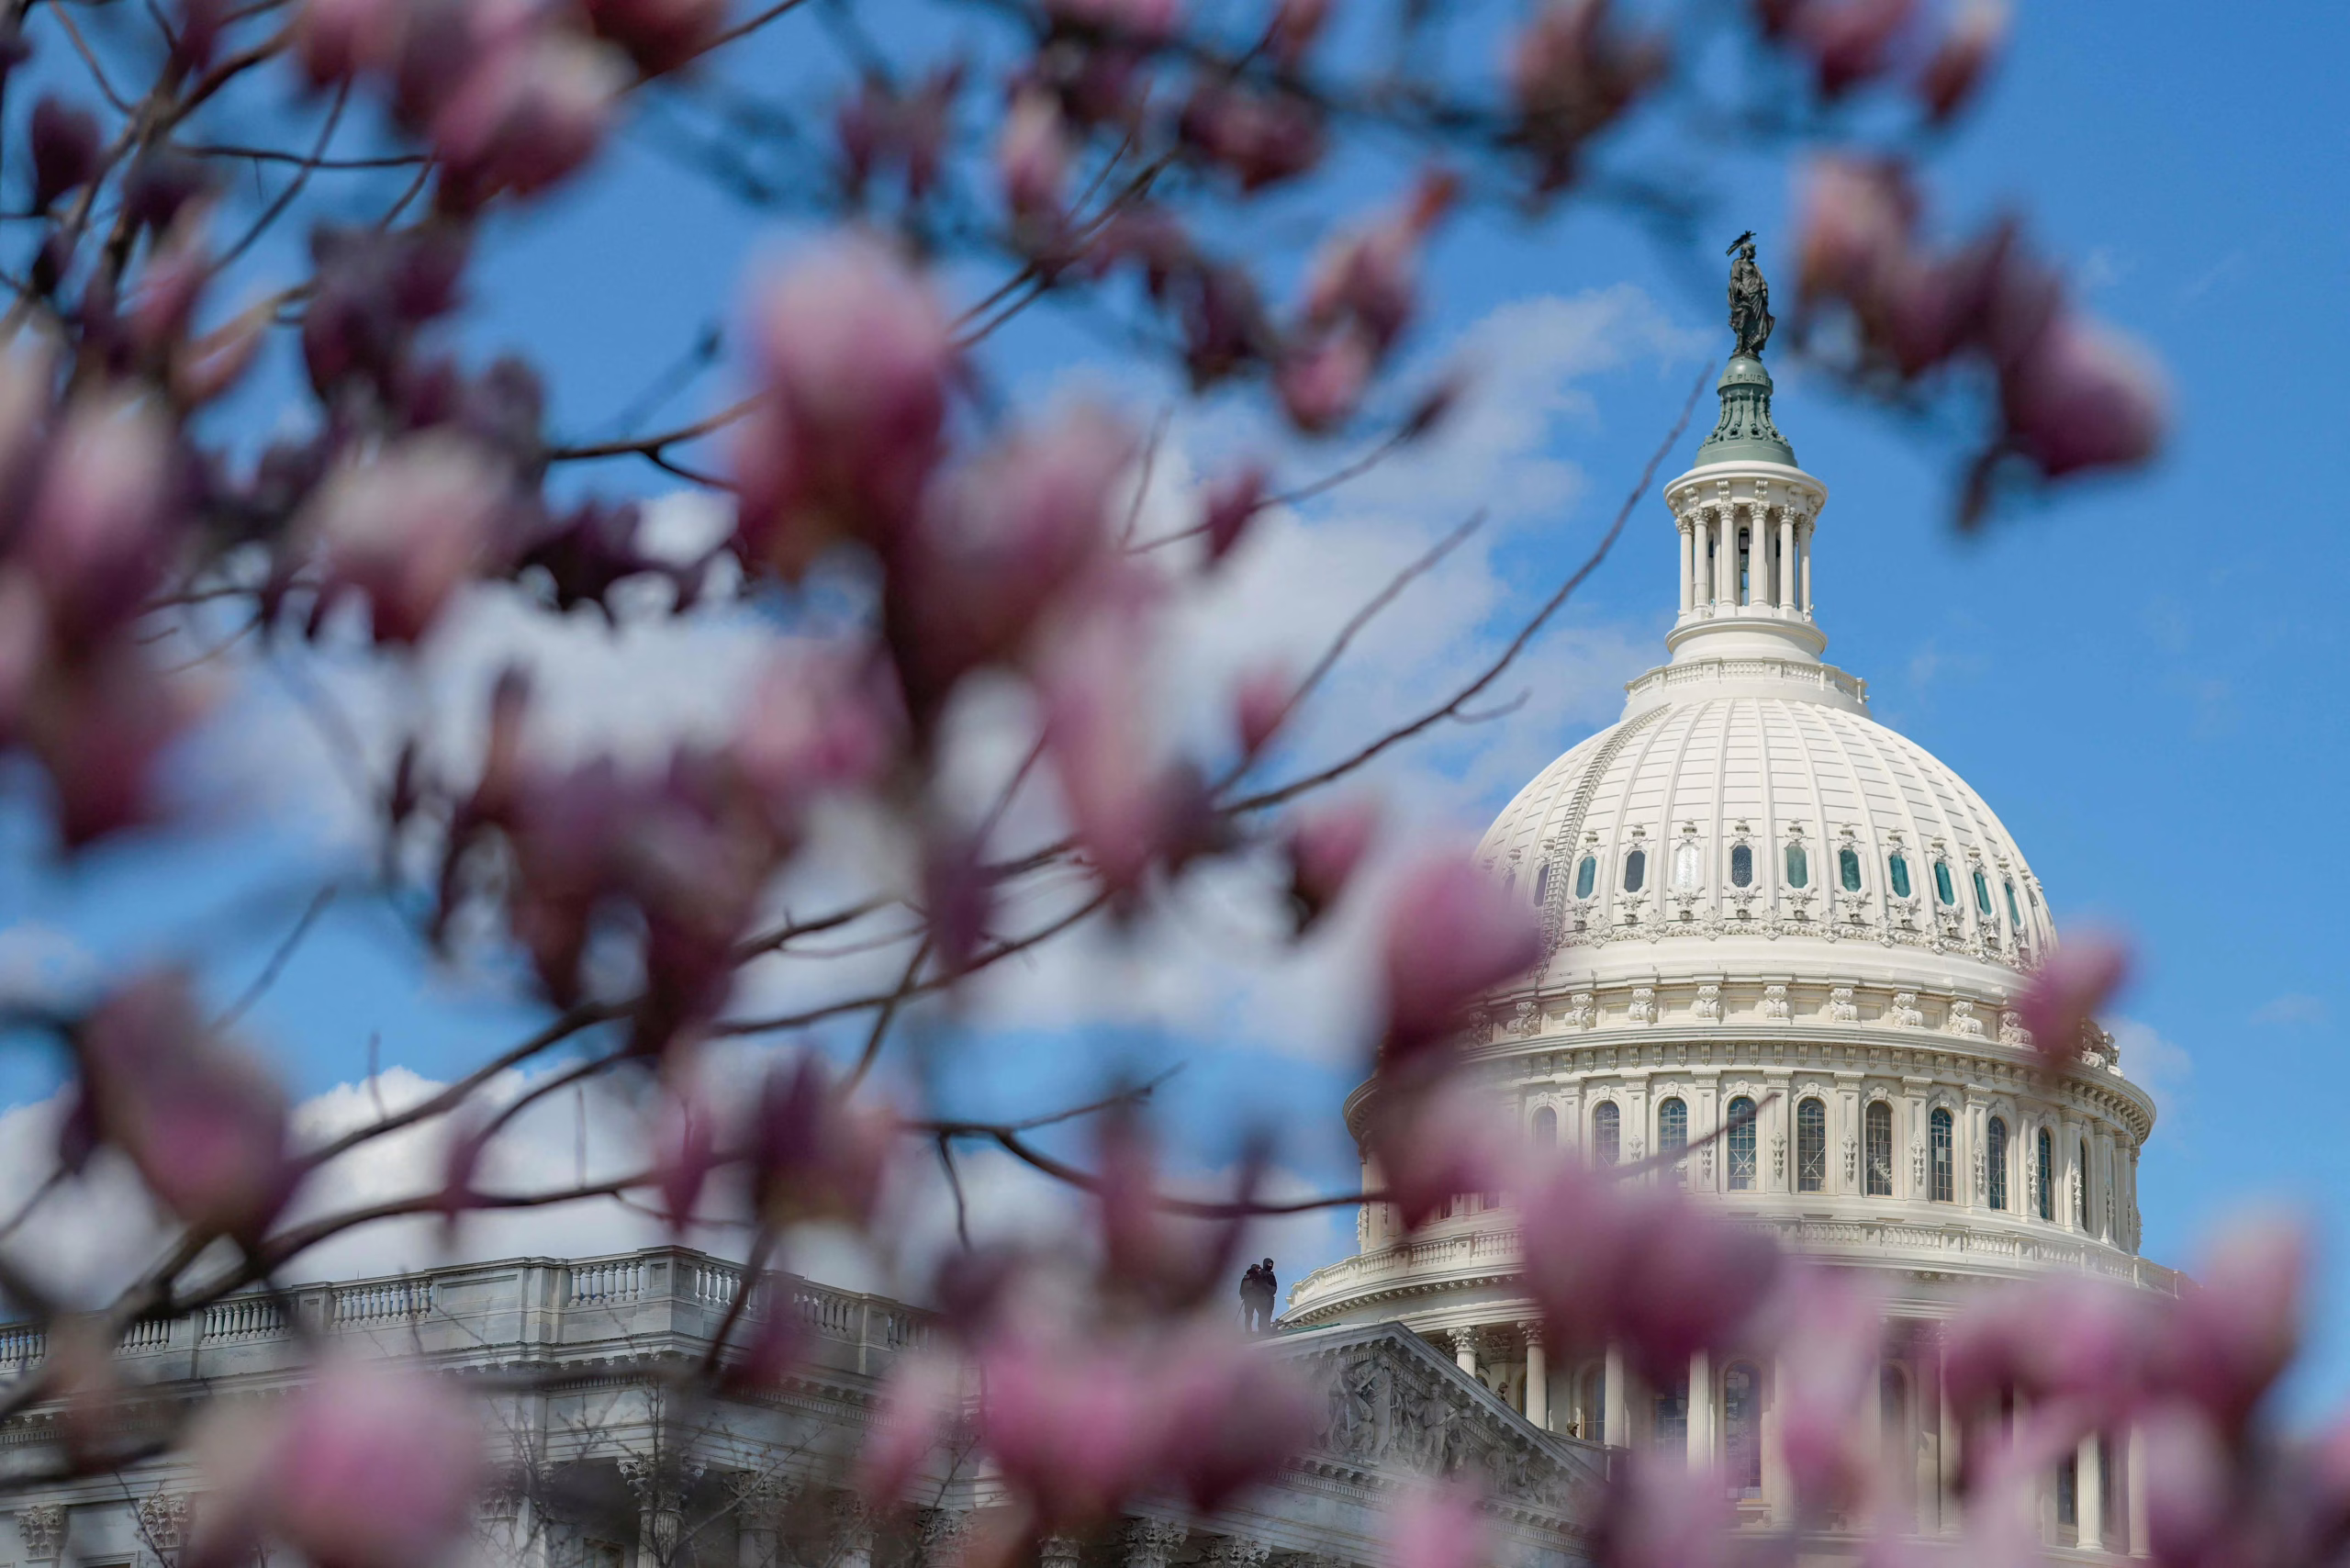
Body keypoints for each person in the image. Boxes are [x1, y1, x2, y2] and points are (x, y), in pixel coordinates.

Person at [1238, 1258, 1277, 1334]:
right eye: (1258, 1269)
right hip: (1256, 1299)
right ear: (1255, 1269)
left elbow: (1241, 1290)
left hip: (1248, 1300)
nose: (1259, 1270)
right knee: (1262, 1313)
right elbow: (1262, 1287)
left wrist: (1244, 1296)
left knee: (1249, 1316)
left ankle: (1248, 1331)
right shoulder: (1259, 1277)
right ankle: (1262, 1330)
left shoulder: (1246, 1277)